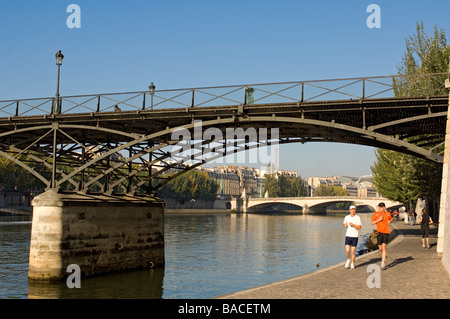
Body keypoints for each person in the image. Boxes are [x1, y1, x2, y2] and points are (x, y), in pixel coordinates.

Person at [371, 202, 393, 270]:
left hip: (386, 232)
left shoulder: (388, 214)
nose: (380, 209)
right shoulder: (376, 214)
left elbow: (391, 218)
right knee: (380, 249)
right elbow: (372, 223)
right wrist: (378, 220)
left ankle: (383, 263)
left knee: (384, 247)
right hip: (379, 232)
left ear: (384, 208)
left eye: (381, 207)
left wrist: (390, 221)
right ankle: (383, 257)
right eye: (379, 207)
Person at [343, 205, 362, 270]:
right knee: (347, 251)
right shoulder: (346, 217)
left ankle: (352, 263)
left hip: (355, 236)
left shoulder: (357, 218)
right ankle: (348, 259)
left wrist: (353, 225)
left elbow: (359, 227)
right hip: (348, 235)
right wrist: (345, 225)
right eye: (351, 209)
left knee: (352, 251)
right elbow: (344, 223)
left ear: (355, 210)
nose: (353, 211)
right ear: (349, 210)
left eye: (354, 209)